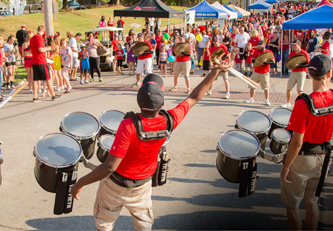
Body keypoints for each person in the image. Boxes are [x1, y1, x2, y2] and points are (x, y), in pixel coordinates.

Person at [69, 67, 222, 230]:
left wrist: (80, 184)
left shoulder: (128, 125)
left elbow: (109, 166)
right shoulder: (170, 120)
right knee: (144, 225)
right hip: (142, 186)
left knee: (104, 223)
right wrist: (215, 71)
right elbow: (194, 97)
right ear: (162, 103)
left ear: (139, 102)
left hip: (114, 185)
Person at [280, 54, 333, 230]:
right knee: (312, 201)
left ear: (309, 73)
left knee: (292, 204)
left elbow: (297, 142)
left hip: (301, 159)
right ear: (329, 74)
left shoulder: (303, 103)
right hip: (323, 157)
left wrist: (286, 166)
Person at [29, 25, 61, 102]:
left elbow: (31, 50)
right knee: (48, 78)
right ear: (43, 31)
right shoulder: (39, 38)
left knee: (35, 79)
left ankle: (35, 97)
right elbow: (40, 49)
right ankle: (53, 95)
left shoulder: (32, 38)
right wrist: (49, 48)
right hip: (41, 60)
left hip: (34, 60)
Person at [284, 43, 309, 108]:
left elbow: (308, 63)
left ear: (299, 45)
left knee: (299, 89)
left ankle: (301, 104)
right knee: (289, 87)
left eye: (295, 45)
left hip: (302, 71)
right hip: (294, 71)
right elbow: (289, 63)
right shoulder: (292, 54)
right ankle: (288, 102)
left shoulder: (304, 53)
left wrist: (299, 65)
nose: (293, 47)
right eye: (292, 45)